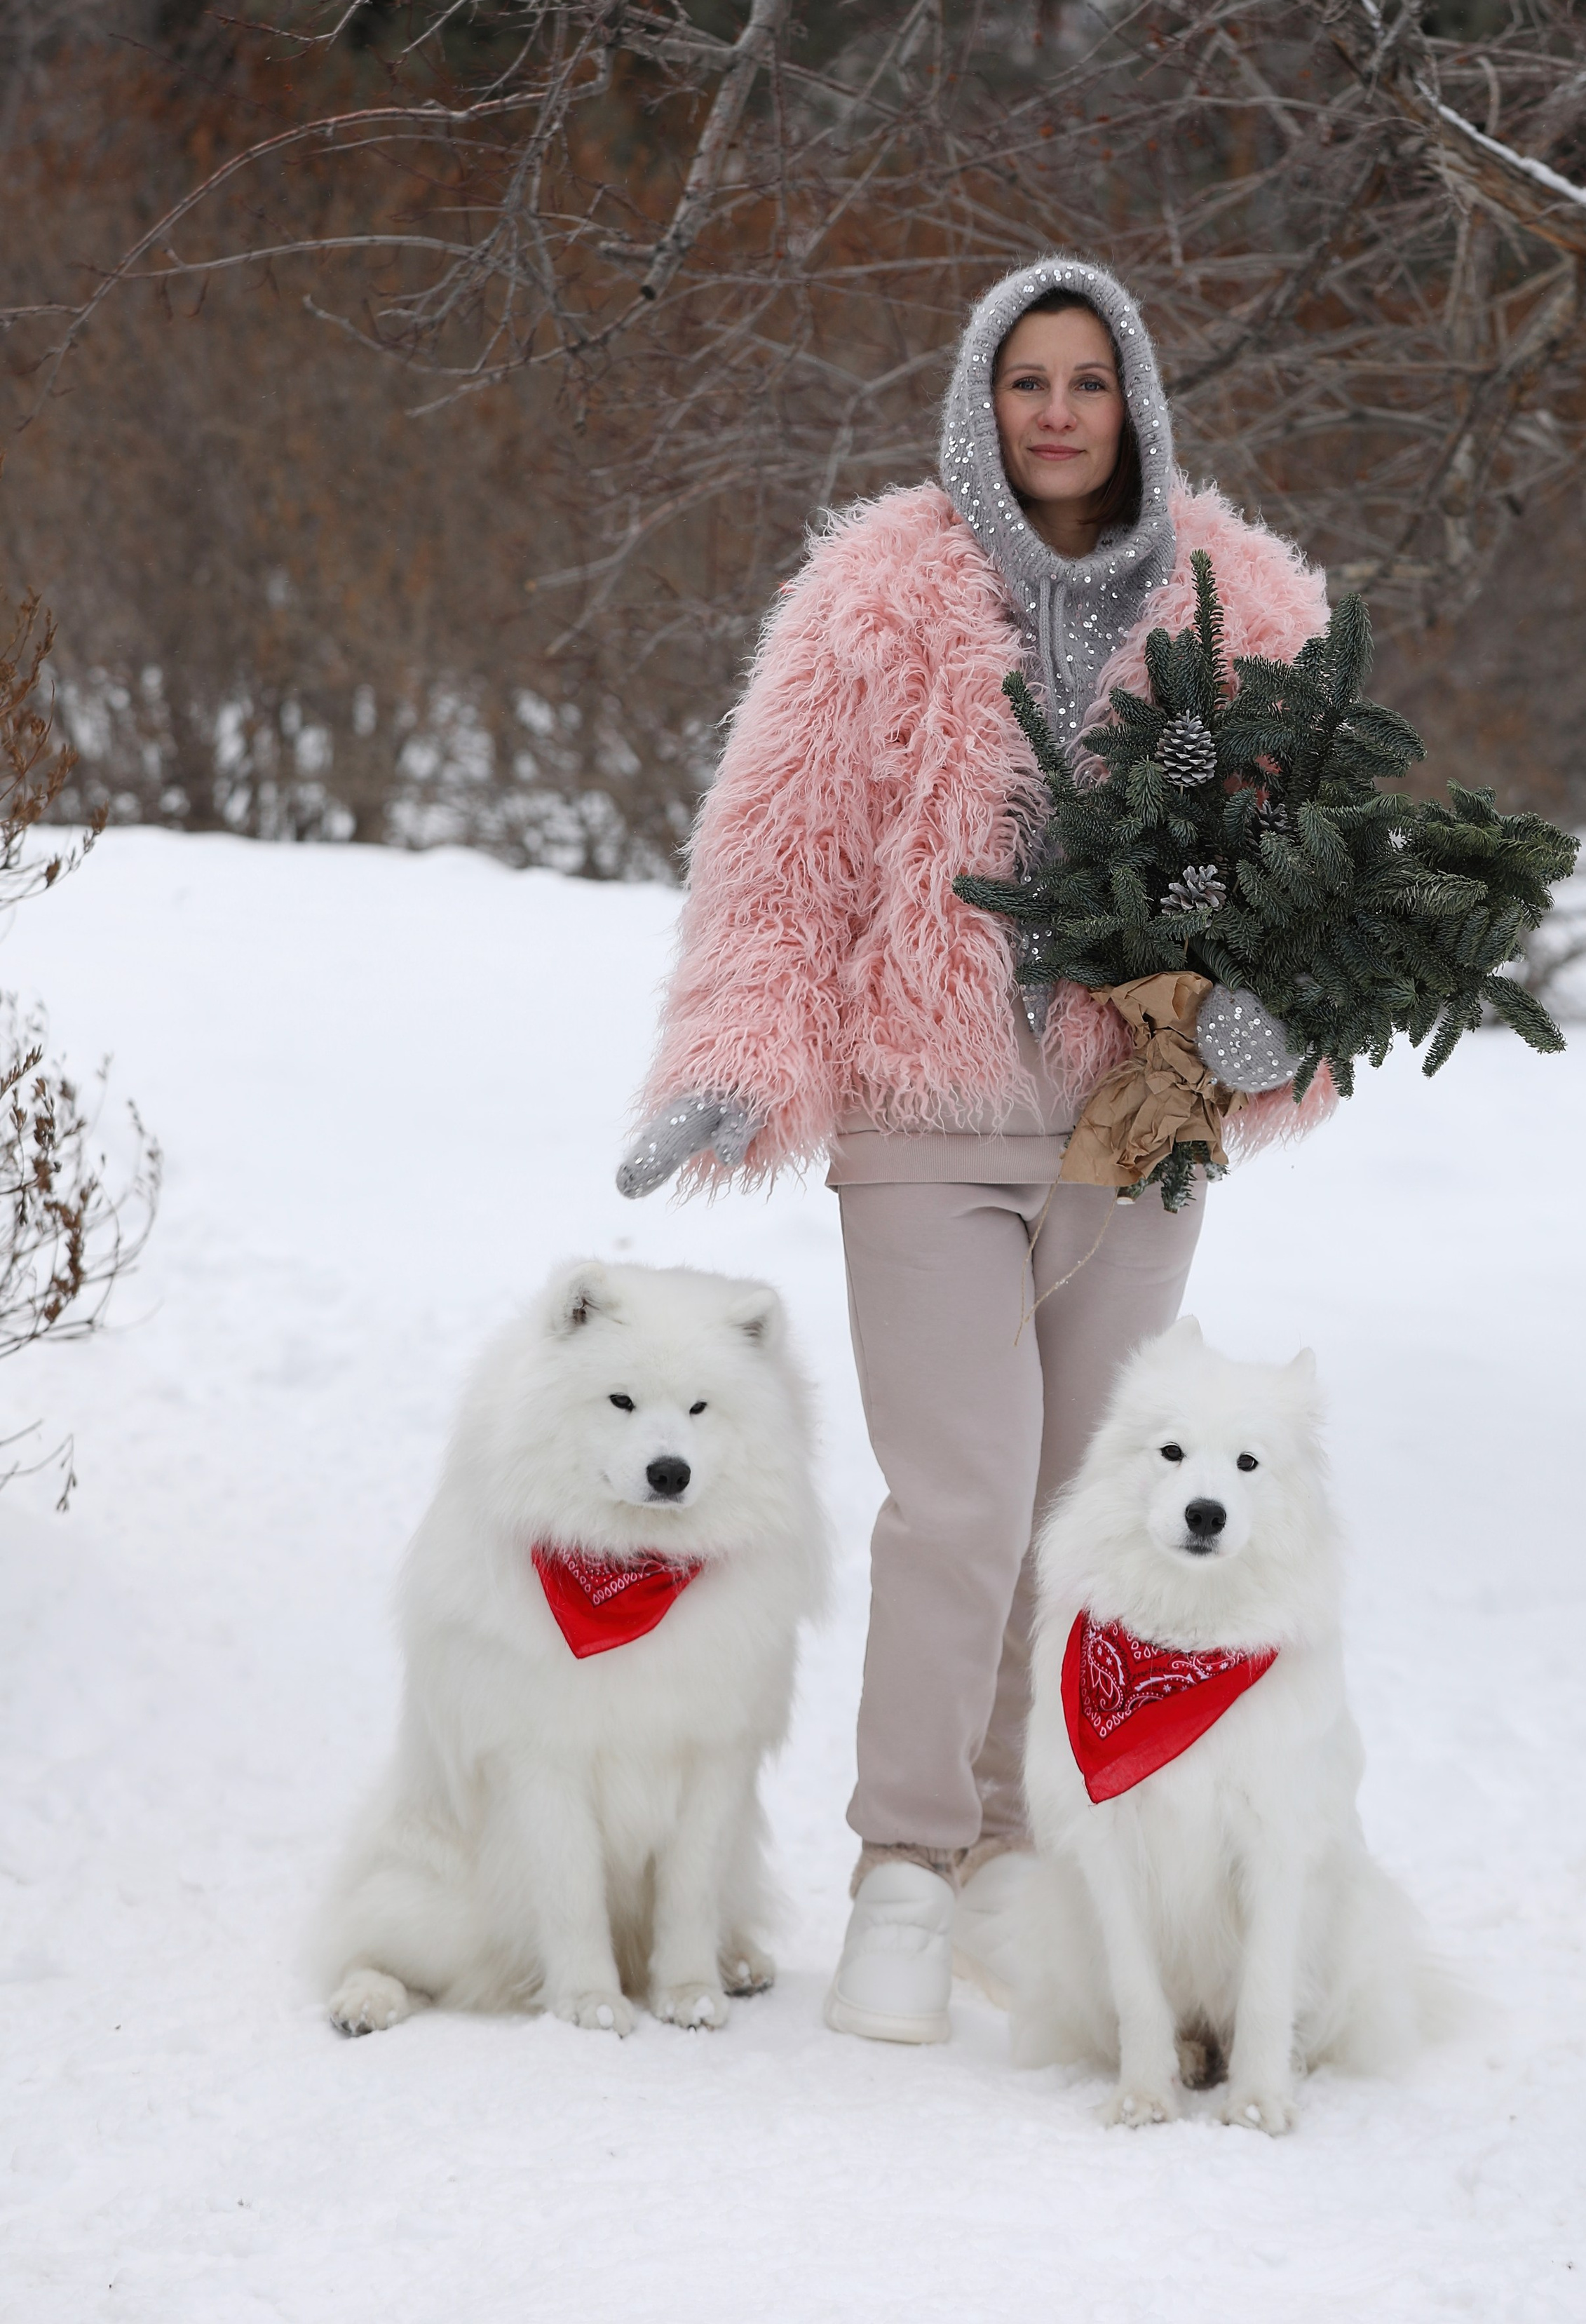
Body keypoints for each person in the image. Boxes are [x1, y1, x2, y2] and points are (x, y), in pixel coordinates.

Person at [618, 257, 1332, 2043]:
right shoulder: (873, 594)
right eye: (1027, 381)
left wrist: (1270, 1032)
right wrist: (727, 1065)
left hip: (1133, 1124)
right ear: (980, 400)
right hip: (922, 1120)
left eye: (1089, 379)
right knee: (959, 1500)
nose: (1059, 410)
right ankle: (907, 1871)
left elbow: (1321, 875)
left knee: (1075, 1510)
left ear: (1137, 401)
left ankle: (1034, 1853)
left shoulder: (1240, 600)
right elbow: (774, 857)